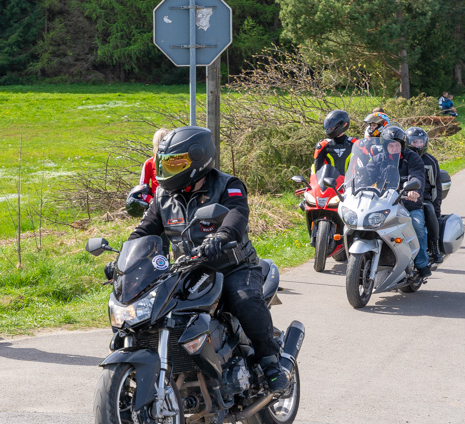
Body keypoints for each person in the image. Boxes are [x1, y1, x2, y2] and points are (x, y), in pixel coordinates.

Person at [125, 126, 290, 394]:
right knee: (152, 313)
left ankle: (271, 364)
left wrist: (222, 236)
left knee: (244, 299)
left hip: (233, 266)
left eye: (176, 162)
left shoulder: (228, 185)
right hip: (185, 270)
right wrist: (125, 259)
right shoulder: (163, 196)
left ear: (199, 159)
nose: (169, 169)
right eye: (165, 163)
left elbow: (236, 215)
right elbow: (143, 231)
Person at [380, 126, 431, 277]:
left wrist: (413, 190)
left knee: (416, 225)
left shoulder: (412, 158)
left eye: (397, 145)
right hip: (384, 205)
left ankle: (421, 263)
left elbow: (417, 176)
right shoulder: (378, 159)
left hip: (409, 204)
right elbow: (366, 175)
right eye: (391, 145)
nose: (395, 148)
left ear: (402, 145)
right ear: (385, 146)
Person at [405, 127, 444, 264]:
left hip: (424, 198)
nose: (418, 145)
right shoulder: (403, 159)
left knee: (430, 210)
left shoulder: (430, 161)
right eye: (414, 142)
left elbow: (435, 186)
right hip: (402, 196)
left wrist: (436, 206)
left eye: (420, 142)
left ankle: (434, 247)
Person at [312, 110, 358, 178]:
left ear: (343, 125)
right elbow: (316, 168)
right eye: (329, 128)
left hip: (351, 184)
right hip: (329, 185)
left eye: (332, 128)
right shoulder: (323, 145)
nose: (329, 130)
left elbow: (366, 164)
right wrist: (315, 184)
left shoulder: (355, 143)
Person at [139, 128, 170, 196]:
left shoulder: (177, 161)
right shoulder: (149, 163)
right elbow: (142, 188)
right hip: (158, 202)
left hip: (176, 201)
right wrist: (151, 201)